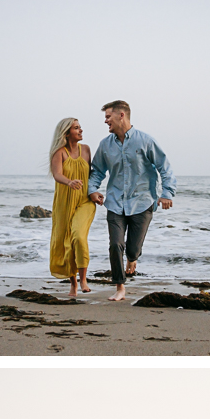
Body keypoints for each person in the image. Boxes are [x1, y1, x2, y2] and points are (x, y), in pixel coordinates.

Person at [88, 100, 177, 302]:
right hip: (115, 203)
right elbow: (96, 172)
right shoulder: (105, 145)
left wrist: (167, 193)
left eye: (108, 117)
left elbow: (165, 167)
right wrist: (93, 190)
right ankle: (120, 287)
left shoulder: (145, 141)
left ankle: (133, 258)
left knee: (132, 248)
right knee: (115, 245)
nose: (105, 121)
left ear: (122, 116)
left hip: (142, 202)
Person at [48, 118, 96, 298]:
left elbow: (93, 175)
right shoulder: (59, 153)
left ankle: (83, 278)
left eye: (80, 127)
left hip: (84, 201)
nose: (81, 130)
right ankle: (73, 284)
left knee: (78, 236)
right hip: (64, 202)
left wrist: (95, 192)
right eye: (76, 128)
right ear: (66, 133)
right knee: (66, 242)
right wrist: (69, 182)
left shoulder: (87, 150)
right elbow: (57, 174)